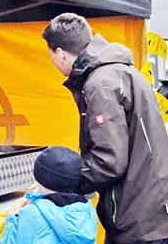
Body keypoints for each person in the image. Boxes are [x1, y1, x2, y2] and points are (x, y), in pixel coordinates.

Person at [40, 13, 168, 244]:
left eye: (50, 55)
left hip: (138, 217)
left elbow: (110, 161)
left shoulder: (100, 83)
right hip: (152, 208)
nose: (53, 62)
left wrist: (68, 181)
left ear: (60, 53)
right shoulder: (121, 72)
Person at [0, 146, 97, 244]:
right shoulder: (87, 208)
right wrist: (26, 198)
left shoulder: (31, 213)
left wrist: (12, 219)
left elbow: (12, 240)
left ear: (38, 175)